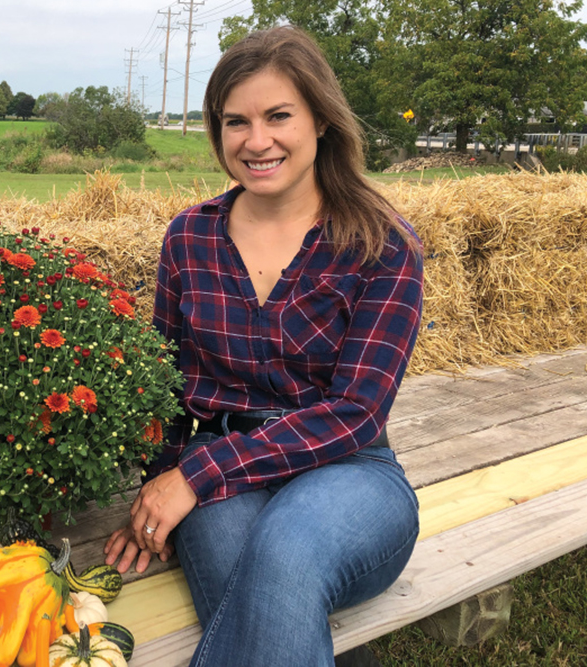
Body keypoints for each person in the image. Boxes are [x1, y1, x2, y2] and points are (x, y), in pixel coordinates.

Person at [104, 26, 424, 667]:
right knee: (260, 593)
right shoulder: (189, 237)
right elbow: (163, 382)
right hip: (219, 461)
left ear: (321, 121)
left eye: (279, 116)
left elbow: (356, 413)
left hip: (351, 472)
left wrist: (194, 476)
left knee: (285, 550)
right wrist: (155, 490)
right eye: (235, 122)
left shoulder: (380, 243)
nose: (256, 141)